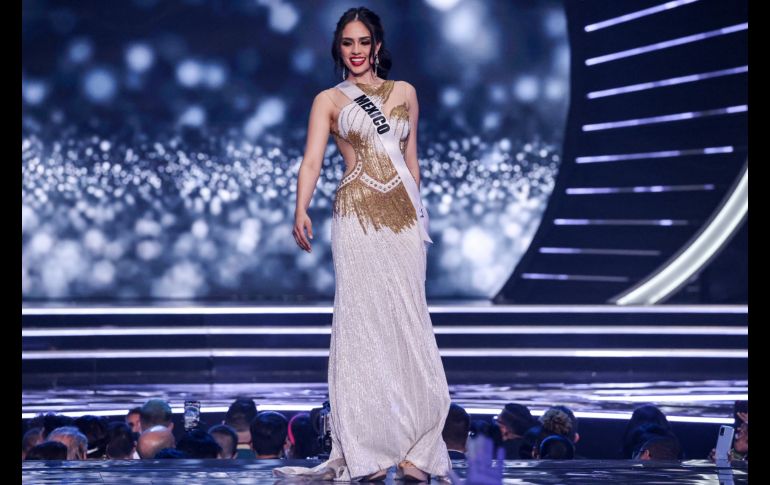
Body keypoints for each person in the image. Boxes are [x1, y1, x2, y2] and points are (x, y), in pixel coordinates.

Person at [277, 6, 451, 483]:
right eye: (347, 43)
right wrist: (300, 207)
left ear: (377, 45)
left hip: (401, 221)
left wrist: (417, 217)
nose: (355, 51)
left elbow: (412, 163)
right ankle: (367, 449)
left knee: (409, 322)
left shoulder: (406, 93)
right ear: (339, 48)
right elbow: (311, 161)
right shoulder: (329, 100)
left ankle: (418, 448)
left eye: (363, 42)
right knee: (361, 326)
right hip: (356, 217)